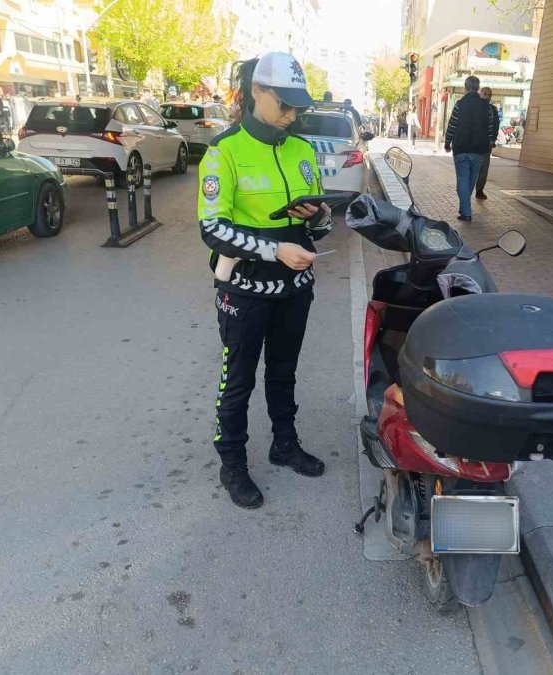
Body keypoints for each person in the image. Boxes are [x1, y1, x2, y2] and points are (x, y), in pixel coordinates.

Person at [198, 52, 334, 510]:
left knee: (283, 371)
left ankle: (284, 443)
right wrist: (274, 249)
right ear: (257, 92)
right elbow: (212, 228)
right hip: (245, 289)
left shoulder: (302, 150)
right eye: (284, 104)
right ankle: (232, 462)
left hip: (295, 288)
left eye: (298, 107)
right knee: (237, 379)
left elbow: (315, 226)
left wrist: (317, 218)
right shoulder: (225, 150)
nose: (292, 116)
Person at [444, 75, 493, 221]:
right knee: (471, 180)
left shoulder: (460, 104)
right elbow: (490, 129)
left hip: (461, 148)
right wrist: (489, 143)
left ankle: (466, 212)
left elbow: (452, 125)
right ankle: (465, 208)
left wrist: (447, 142)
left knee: (463, 180)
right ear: (478, 88)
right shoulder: (487, 107)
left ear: (466, 87)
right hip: (479, 150)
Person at [475, 87, 500, 200]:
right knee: (472, 168)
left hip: (486, 145)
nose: (487, 97)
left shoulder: (493, 110)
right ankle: (468, 190)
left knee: (484, 169)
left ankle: (479, 190)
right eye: (485, 94)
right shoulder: (473, 108)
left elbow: (496, 127)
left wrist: (493, 140)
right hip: (473, 144)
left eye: (489, 95)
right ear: (480, 94)